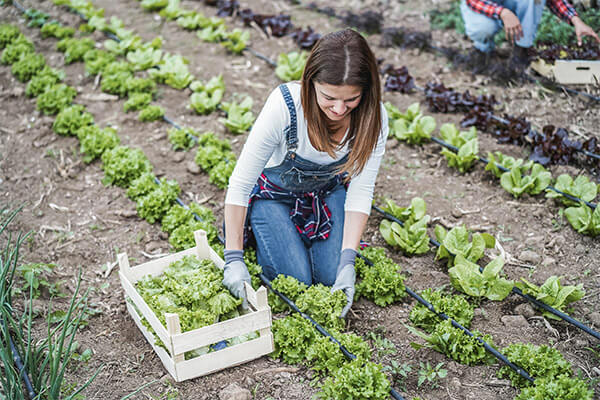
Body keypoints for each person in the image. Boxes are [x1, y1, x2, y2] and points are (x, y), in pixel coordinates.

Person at [221, 28, 388, 318]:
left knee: (329, 277)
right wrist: (233, 257)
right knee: (295, 281)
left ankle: (312, 245)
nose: (339, 109)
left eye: (351, 100)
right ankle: (263, 230)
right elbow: (240, 183)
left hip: (326, 194)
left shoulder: (374, 118)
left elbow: (361, 191)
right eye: (329, 97)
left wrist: (348, 261)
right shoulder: (285, 106)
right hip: (274, 196)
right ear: (310, 82)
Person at [460, 0, 600, 73]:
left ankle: (520, 52)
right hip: (483, 4)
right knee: (483, 29)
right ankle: (483, 50)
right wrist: (503, 12)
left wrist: (575, 20)